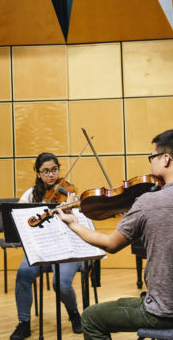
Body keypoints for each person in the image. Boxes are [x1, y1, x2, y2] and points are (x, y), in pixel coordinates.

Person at [57, 129, 173, 339]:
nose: (150, 164)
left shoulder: (149, 202)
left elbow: (111, 244)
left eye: (151, 157)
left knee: (91, 318)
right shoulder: (147, 202)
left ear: (165, 159)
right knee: (127, 303)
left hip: (165, 312)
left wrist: (73, 223)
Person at [10, 152, 83, 340]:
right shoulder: (30, 194)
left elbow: (80, 221)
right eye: (46, 171)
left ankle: (74, 314)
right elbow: (18, 217)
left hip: (67, 247)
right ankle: (24, 323)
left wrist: (72, 206)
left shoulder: (68, 192)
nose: (51, 175)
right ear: (38, 173)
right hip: (41, 247)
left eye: (54, 170)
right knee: (23, 274)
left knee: (61, 283)